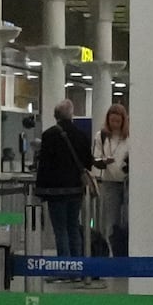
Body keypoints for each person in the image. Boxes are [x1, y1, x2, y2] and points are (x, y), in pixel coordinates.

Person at [32, 98, 92, 257]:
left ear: (55, 115)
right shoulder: (81, 135)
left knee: (60, 230)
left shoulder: (49, 135)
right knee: (73, 226)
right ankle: (78, 266)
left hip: (55, 191)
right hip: (76, 190)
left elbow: (44, 165)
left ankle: (64, 267)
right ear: (72, 115)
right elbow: (88, 162)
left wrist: (39, 191)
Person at [95, 103, 133, 255]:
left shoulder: (130, 136)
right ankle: (114, 252)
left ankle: (128, 251)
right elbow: (96, 157)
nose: (115, 124)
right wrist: (103, 161)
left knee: (129, 218)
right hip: (110, 181)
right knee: (111, 220)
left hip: (128, 181)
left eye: (118, 121)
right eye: (112, 121)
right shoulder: (101, 136)